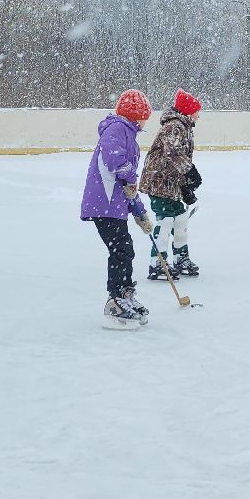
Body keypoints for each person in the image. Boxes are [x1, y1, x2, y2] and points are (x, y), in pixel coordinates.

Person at [81, 89, 154, 327]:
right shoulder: (116, 128)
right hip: (104, 203)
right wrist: (130, 177)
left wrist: (140, 212)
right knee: (121, 249)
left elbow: (128, 185)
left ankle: (124, 294)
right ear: (136, 115)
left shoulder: (129, 136)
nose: (146, 120)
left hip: (114, 205)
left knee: (125, 248)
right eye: (145, 115)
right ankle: (115, 301)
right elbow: (116, 162)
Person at [142, 89, 203, 280]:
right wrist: (190, 171)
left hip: (171, 183)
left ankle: (180, 258)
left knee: (181, 218)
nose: (198, 116)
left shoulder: (184, 126)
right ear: (187, 111)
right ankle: (157, 263)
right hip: (159, 181)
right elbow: (174, 154)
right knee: (167, 219)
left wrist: (184, 186)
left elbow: (177, 160)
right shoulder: (174, 126)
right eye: (196, 111)